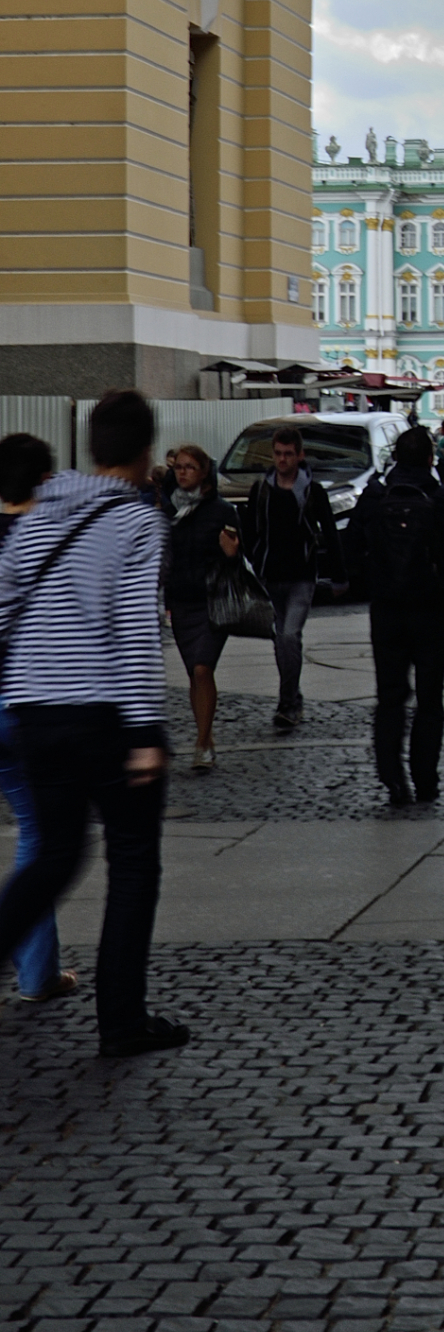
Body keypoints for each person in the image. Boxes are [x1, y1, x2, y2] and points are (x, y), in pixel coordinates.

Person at [0, 389, 187, 1057]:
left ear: (90, 445)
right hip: (104, 717)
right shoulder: (137, 521)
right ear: (145, 451)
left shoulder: (38, 515)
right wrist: (145, 732)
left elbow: (3, 609)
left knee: (54, 855)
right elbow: (136, 628)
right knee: (133, 863)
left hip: (34, 715)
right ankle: (122, 1019)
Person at [346, 425, 444, 808]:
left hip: (387, 611)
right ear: (429, 458)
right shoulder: (438, 497)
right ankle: (426, 779)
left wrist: (373, 578)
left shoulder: (376, 495)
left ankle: (391, 774)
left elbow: (352, 546)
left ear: (395, 458)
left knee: (390, 696)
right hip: (432, 609)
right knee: (430, 698)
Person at [0, 433, 78, 1010]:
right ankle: (36, 973)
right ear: (46, 479)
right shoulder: (49, 537)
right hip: (26, 705)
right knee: (39, 836)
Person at [237, 426, 344, 732]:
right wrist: (255, 558)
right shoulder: (262, 490)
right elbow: (251, 529)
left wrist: (340, 576)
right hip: (270, 576)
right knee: (280, 640)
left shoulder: (312, 491)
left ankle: (288, 704)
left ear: (300, 455)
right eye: (278, 454)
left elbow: (330, 532)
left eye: (288, 454)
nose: (282, 459)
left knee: (288, 636)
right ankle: (293, 696)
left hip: (301, 577)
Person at [160, 444, 246, 771]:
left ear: (203, 472)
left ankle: (202, 743)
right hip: (182, 601)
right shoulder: (169, 512)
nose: (183, 472)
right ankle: (205, 736)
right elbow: (166, 560)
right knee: (193, 675)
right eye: (179, 467)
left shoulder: (222, 511)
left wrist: (232, 553)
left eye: (190, 467)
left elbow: (239, 559)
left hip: (212, 602)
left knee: (202, 668)